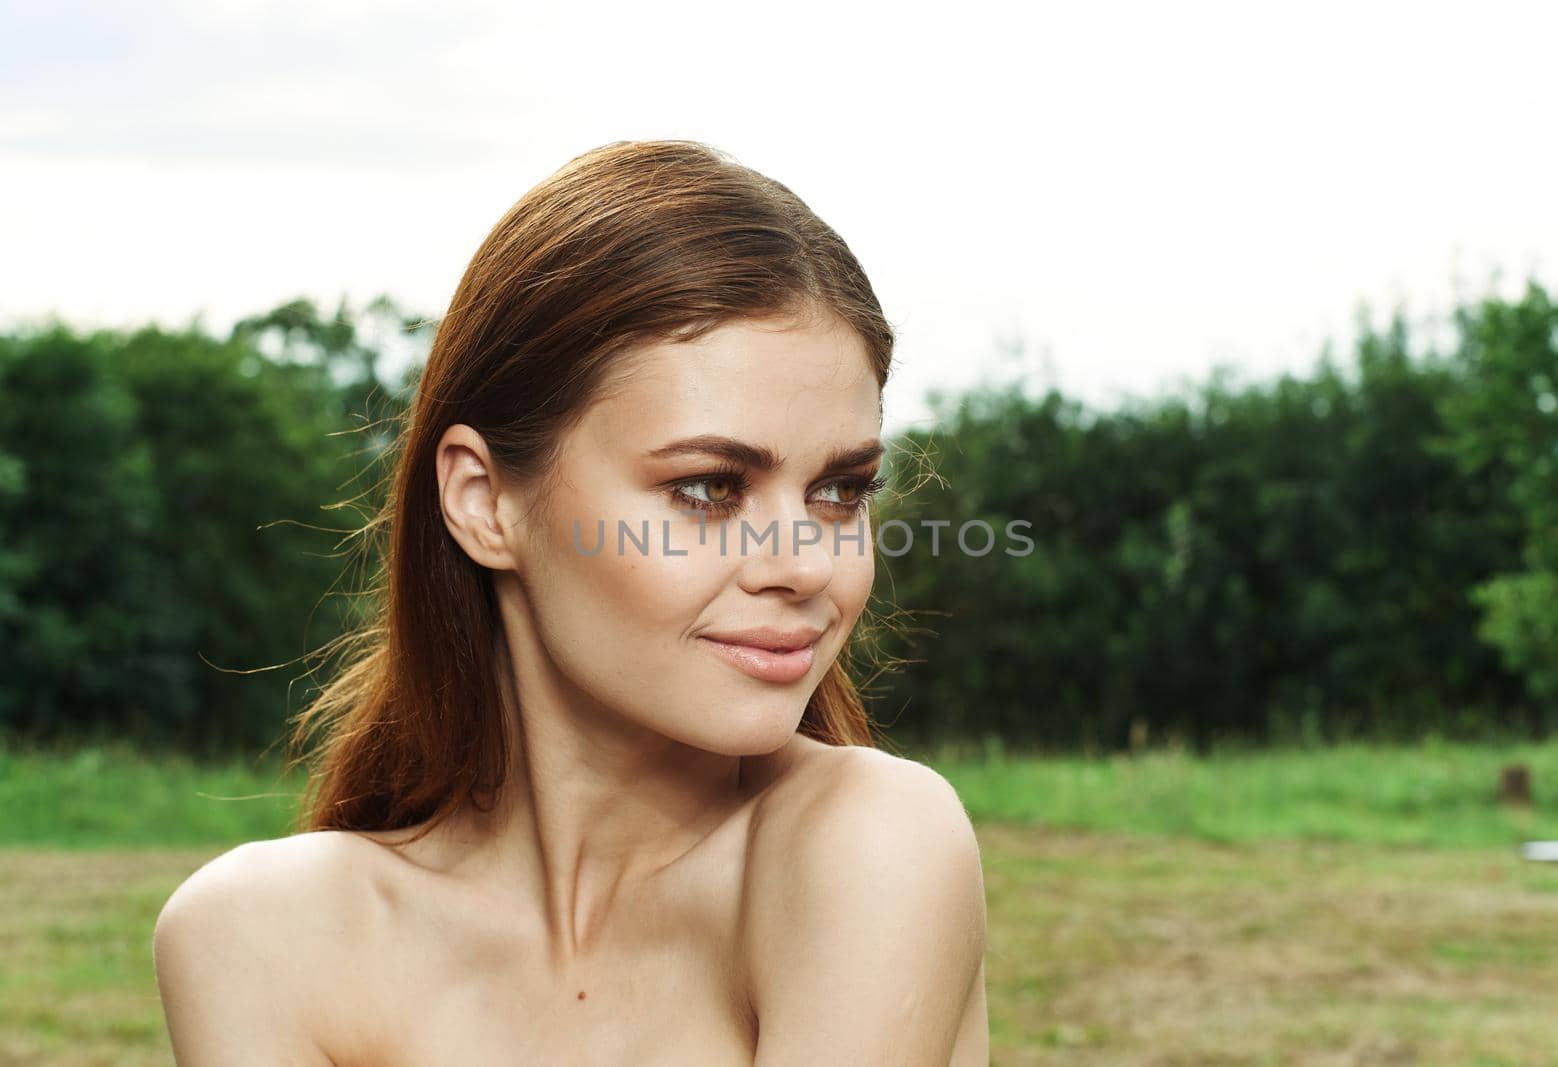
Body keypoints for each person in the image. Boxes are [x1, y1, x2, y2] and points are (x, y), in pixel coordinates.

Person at [152, 139, 989, 1065]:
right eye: (709, 488)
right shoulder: (256, 938)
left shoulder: (867, 843)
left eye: (841, 491)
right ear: (483, 500)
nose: (803, 563)